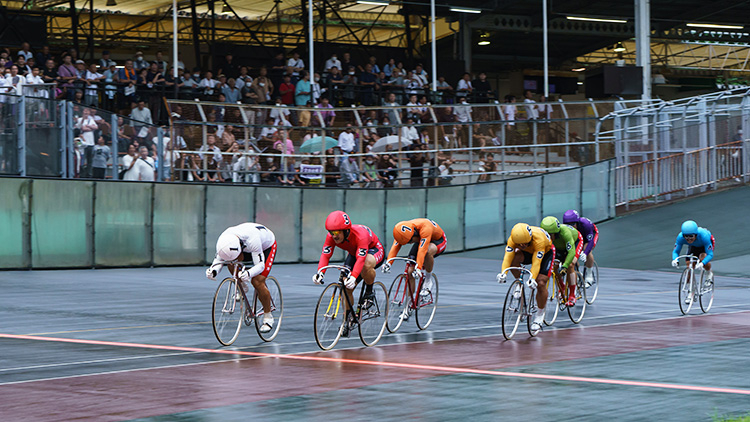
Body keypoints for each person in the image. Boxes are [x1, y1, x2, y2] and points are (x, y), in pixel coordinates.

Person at [313, 211, 386, 337]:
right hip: (354, 253)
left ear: (346, 230)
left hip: (373, 250)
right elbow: (325, 254)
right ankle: (347, 319)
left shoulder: (360, 235)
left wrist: (354, 276)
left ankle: (369, 292)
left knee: (366, 265)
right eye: (331, 232)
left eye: (336, 232)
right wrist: (320, 272)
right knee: (345, 285)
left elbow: (361, 259)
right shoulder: (331, 237)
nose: (333, 236)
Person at [206, 223, 278, 333]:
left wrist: (249, 273)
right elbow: (219, 260)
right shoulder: (224, 241)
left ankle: (268, 316)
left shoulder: (252, 240)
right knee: (231, 263)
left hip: (266, 246)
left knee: (257, 281)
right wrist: (213, 271)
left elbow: (260, 265)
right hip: (245, 246)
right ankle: (242, 287)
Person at [383, 219, 447, 321]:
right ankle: (408, 305)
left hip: (438, 240)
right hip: (420, 239)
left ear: (413, 236)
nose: (408, 244)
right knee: (409, 272)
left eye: (409, 242)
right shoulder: (402, 231)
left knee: (427, 252)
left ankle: (428, 280)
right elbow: (395, 247)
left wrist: (419, 268)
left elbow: (422, 250)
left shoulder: (425, 228)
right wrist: (388, 263)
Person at [497, 223, 554, 332]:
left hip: (545, 253)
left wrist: (532, 278)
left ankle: (540, 315)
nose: (522, 245)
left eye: (525, 243)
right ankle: (519, 283)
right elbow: (508, 257)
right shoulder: (512, 240)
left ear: (530, 238)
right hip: (527, 253)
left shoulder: (539, 240)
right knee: (514, 258)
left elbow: (536, 263)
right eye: (520, 244)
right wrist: (503, 273)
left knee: (540, 282)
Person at [540, 216, 583, 307]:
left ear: (556, 233)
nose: (549, 237)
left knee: (571, 265)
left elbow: (571, 252)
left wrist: (565, 265)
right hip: (559, 248)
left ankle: (572, 295)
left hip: (575, 242)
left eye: (550, 234)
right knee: (554, 265)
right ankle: (562, 287)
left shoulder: (565, 233)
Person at [671, 220, 715, 286]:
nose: (688, 239)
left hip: (705, 244)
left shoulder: (704, 236)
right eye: (686, 236)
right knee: (689, 265)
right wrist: (675, 260)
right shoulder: (680, 237)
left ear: (696, 234)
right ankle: (691, 288)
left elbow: (710, 254)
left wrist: (703, 263)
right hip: (694, 246)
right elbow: (676, 251)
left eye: (691, 236)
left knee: (702, 257)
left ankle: (709, 273)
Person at [562, 210, 599, 286]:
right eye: (568, 225)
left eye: (573, 224)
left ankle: (589, 275)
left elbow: (590, 241)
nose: (571, 227)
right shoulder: (565, 228)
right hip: (577, 237)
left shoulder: (585, 224)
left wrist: (585, 253)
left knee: (587, 250)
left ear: (577, 222)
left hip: (589, 236)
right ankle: (578, 272)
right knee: (571, 253)